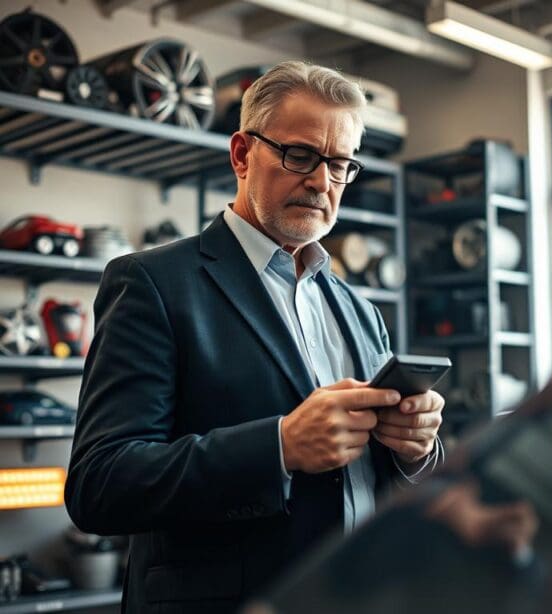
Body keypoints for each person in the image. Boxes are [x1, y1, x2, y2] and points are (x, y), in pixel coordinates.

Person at [65, 60, 445, 614]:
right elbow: (100, 485)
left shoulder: (360, 310)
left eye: (340, 165)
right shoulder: (153, 284)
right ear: (242, 154)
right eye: (300, 155)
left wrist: (414, 451)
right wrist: (280, 446)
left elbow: (386, 483)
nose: (321, 181)